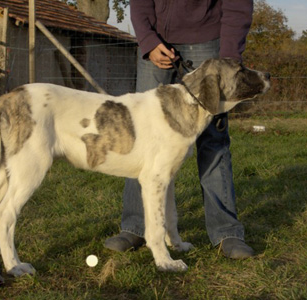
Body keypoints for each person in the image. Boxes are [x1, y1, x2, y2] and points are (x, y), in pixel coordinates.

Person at [105, 0, 255, 259]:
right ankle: (135, 226)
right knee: (141, 140)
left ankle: (226, 232)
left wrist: (228, 60)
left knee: (213, 140)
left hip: (209, 39)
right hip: (158, 41)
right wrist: (148, 40)